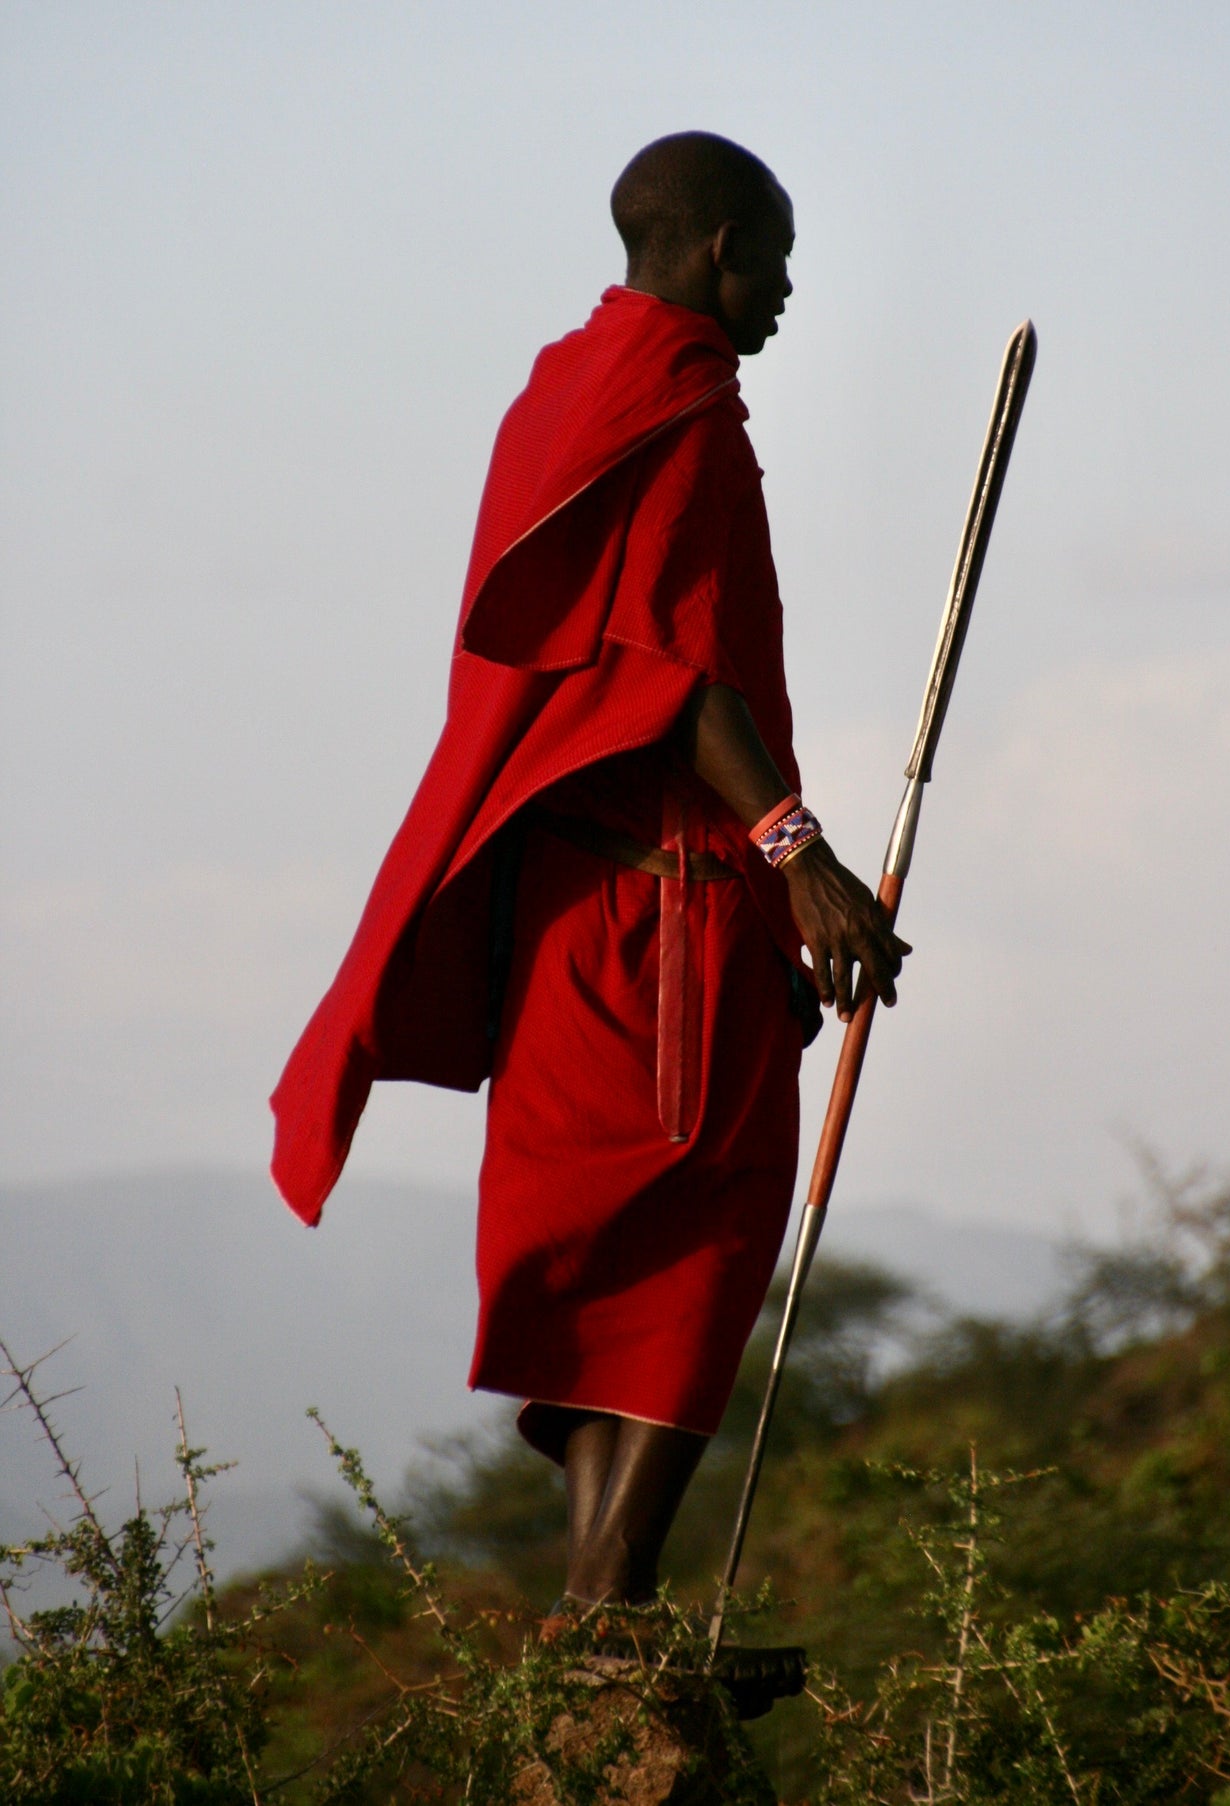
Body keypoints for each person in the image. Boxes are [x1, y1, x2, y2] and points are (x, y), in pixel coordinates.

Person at [270, 131, 908, 1634]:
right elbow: (673, 676)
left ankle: (595, 1618)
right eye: (774, 255)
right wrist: (798, 859)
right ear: (710, 250)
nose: (790, 288)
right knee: (704, 1232)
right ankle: (609, 1605)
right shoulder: (675, 413)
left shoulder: (559, 395)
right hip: (665, 906)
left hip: (555, 907)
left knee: (606, 1254)